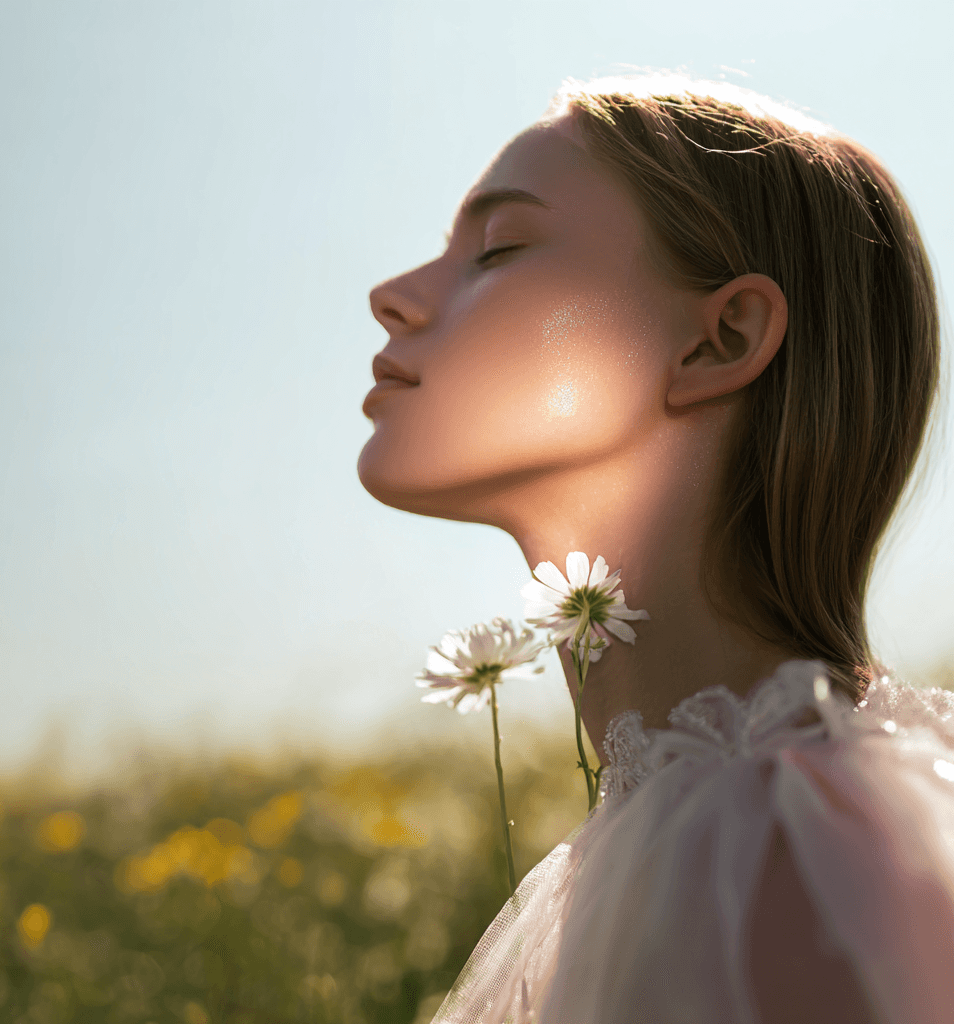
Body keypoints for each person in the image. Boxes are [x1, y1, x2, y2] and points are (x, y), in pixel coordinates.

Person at [358, 73, 954, 1023]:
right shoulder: (681, 839)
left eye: (498, 249)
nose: (392, 297)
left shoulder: (788, 856)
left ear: (720, 341)